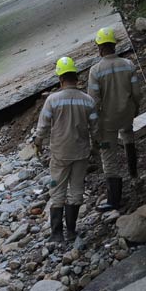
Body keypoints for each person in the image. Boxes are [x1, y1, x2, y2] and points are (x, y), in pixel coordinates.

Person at [33, 57, 98, 243]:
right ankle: (71, 231)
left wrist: (38, 143)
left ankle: (56, 234)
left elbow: (43, 126)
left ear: (60, 79)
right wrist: (96, 147)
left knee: (57, 191)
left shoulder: (53, 100)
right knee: (76, 191)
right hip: (81, 153)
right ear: (76, 77)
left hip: (60, 153)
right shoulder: (88, 101)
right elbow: (95, 128)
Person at [88, 27, 143, 211]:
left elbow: (94, 102)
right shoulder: (128, 64)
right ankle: (134, 174)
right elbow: (137, 93)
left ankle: (114, 199)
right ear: (114, 45)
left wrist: (93, 126)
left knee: (108, 157)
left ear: (100, 47)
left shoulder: (95, 71)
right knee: (128, 136)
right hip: (127, 114)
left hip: (108, 121)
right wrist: (135, 109)